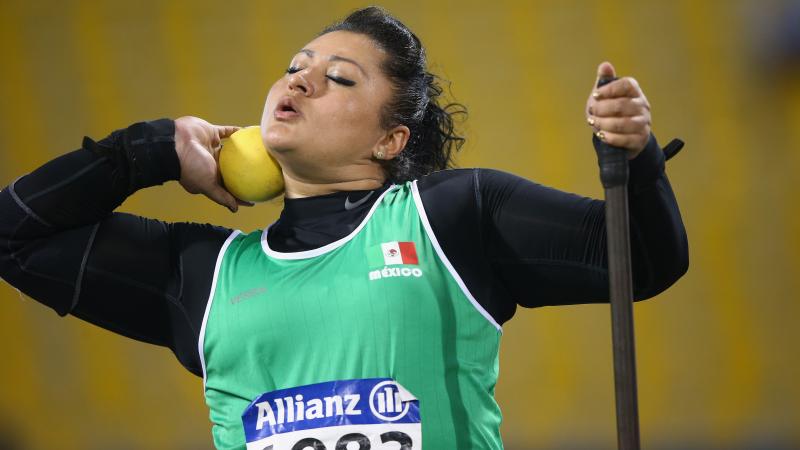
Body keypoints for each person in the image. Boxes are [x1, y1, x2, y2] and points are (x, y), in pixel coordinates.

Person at [0, 6, 688, 450]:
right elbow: (13, 236)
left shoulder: (451, 217)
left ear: (391, 140)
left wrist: (636, 156)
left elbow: (645, 261)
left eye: (338, 78)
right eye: (295, 68)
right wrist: (148, 148)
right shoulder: (203, 276)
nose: (298, 82)